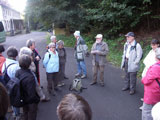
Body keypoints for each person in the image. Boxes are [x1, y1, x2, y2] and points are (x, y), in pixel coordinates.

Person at [15, 54, 40, 120]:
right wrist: (37, 99)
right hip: (30, 101)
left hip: (22, 98)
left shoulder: (17, 72)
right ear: (29, 64)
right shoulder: (30, 77)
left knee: (25, 112)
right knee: (32, 114)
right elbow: (31, 94)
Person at [139, 39, 159, 110]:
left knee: (150, 88)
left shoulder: (158, 53)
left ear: (158, 44)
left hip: (152, 73)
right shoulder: (151, 51)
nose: (152, 46)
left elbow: (155, 63)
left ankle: (146, 105)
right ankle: (145, 98)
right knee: (146, 87)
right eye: (151, 45)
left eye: (154, 45)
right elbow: (146, 60)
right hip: (148, 69)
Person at [2, 46, 20, 119]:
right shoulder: (16, 66)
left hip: (8, 85)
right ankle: (17, 114)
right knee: (16, 101)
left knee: (12, 100)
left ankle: (15, 113)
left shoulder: (5, 63)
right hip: (15, 86)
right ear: (15, 56)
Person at [141, 47, 160, 120]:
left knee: (147, 111)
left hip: (152, 93)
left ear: (156, 56)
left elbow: (146, 80)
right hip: (158, 92)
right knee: (156, 109)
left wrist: (143, 79)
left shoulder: (156, 67)